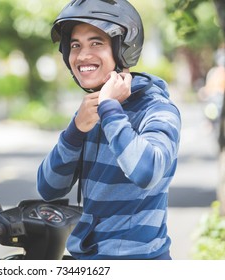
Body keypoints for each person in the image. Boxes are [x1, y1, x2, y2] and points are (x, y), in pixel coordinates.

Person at [37, 0, 181, 260]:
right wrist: (76, 130)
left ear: (124, 49)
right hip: (88, 260)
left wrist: (111, 110)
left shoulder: (157, 109)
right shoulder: (92, 110)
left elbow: (146, 171)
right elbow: (49, 188)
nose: (82, 56)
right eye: (75, 45)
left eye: (96, 43)